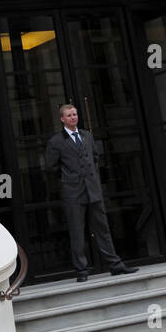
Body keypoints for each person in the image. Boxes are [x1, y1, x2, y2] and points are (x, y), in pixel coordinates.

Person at [44, 103, 139, 283]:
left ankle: (115, 265)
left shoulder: (87, 136)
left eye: (75, 114)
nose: (73, 117)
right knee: (77, 232)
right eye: (69, 115)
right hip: (73, 192)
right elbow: (50, 167)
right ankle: (81, 270)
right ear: (62, 119)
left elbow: (95, 157)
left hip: (93, 190)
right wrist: (68, 176)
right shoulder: (56, 141)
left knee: (103, 229)